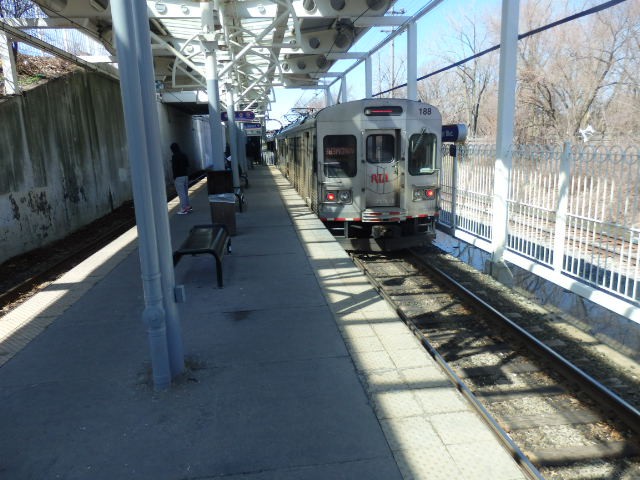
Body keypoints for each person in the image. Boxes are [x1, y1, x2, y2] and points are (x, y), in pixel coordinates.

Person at [170, 142, 192, 214]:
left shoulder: (174, 156)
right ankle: (188, 207)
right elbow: (187, 165)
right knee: (185, 193)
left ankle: (183, 209)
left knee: (181, 194)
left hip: (178, 177)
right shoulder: (184, 154)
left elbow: (174, 168)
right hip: (185, 175)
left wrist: (174, 177)